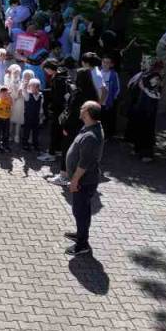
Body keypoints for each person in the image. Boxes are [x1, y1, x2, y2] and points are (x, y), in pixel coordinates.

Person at [65, 101, 104, 256]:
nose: (80, 109)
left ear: (87, 112)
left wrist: (74, 181)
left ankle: (82, 244)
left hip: (84, 182)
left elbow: (84, 163)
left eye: (82, 108)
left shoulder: (91, 136)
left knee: (80, 212)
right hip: (84, 180)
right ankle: (80, 234)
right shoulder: (89, 127)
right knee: (81, 211)